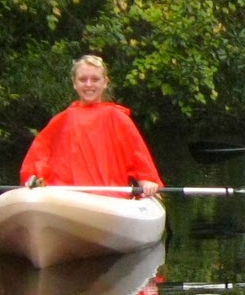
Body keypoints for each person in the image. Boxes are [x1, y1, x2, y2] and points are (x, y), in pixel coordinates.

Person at [21, 55, 162, 196]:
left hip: (110, 198)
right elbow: (39, 153)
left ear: (105, 82)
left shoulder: (118, 118)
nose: (88, 84)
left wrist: (146, 180)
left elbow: (137, 153)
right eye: (83, 80)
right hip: (66, 196)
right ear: (74, 83)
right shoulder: (61, 120)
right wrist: (33, 177)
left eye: (95, 79)